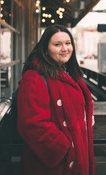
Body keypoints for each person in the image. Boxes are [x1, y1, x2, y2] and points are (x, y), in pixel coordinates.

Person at [17, 24, 95, 175]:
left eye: (68, 43)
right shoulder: (34, 78)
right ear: (46, 49)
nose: (65, 49)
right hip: (53, 165)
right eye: (57, 44)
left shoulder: (68, 72)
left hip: (75, 156)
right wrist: (64, 149)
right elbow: (32, 124)